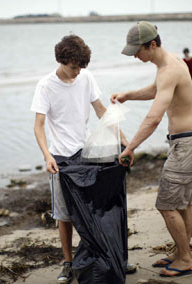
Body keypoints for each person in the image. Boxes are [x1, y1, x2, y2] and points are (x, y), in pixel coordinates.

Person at [31, 34, 133, 284]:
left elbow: (100, 110)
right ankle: (68, 264)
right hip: (61, 159)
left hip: (86, 153)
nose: (77, 72)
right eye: (74, 67)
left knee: (96, 208)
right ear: (62, 60)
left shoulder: (85, 77)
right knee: (64, 215)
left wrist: (123, 139)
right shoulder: (46, 86)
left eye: (80, 67)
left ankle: (114, 257)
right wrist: (46, 156)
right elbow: (39, 125)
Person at [111, 21, 192, 277]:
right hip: (189, 142)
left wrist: (130, 147)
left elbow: (153, 118)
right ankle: (181, 252)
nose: (134, 56)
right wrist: (127, 95)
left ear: (152, 45)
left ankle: (185, 259)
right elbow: (157, 91)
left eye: (136, 51)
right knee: (183, 203)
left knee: (166, 204)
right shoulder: (169, 63)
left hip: (186, 145)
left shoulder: (169, 69)